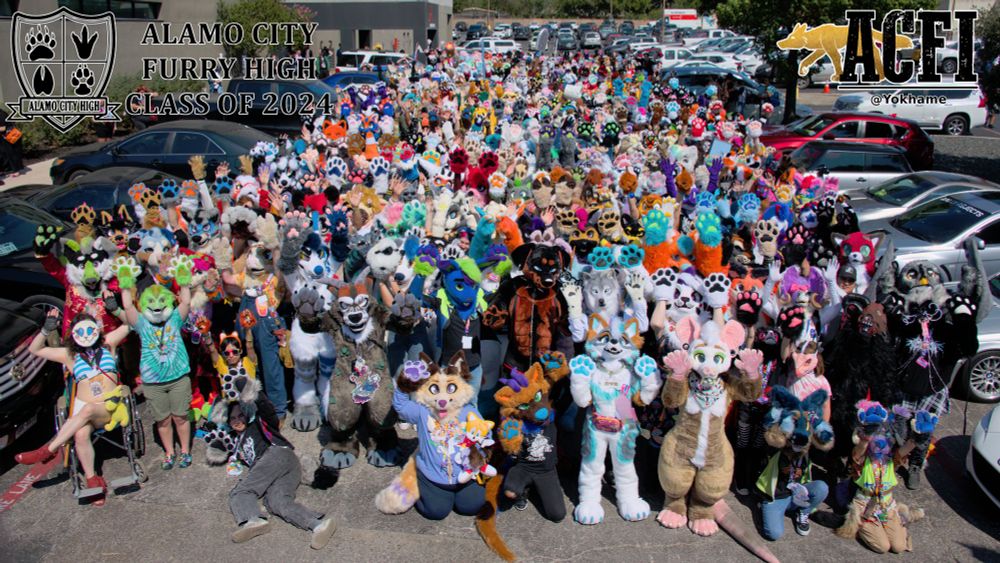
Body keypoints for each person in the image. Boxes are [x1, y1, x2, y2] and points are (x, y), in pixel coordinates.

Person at [16, 307, 131, 507]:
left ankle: (48, 449)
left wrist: (116, 309)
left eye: (89, 330)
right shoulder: (70, 355)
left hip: (109, 409)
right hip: (87, 415)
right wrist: (46, 330)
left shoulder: (108, 344)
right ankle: (92, 479)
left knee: (85, 410)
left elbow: (132, 323)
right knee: (80, 434)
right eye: (81, 331)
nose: (86, 336)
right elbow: (35, 350)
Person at [226, 380, 337, 549]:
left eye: (240, 415)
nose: (237, 420)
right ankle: (319, 525)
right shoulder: (236, 442)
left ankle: (252, 520)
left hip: (278, 454)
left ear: (247, 414)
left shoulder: (258, 425)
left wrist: (248, 389)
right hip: (284, 470)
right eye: (232, 418)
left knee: (241, 491)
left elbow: (266, 410)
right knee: (276, 502)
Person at [119, 268, 194, 470]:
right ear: (144, 305)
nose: (157, 307)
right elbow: (127, 306)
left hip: (179, 378)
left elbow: (186, 302)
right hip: (153, 383)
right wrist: (125, 283)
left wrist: (184, 279)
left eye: (161, 301)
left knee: (180, 417)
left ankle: (185, 450)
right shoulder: (142, 324)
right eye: (151, 303)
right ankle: (169, 452)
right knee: (162, 420)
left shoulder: (175, 319)